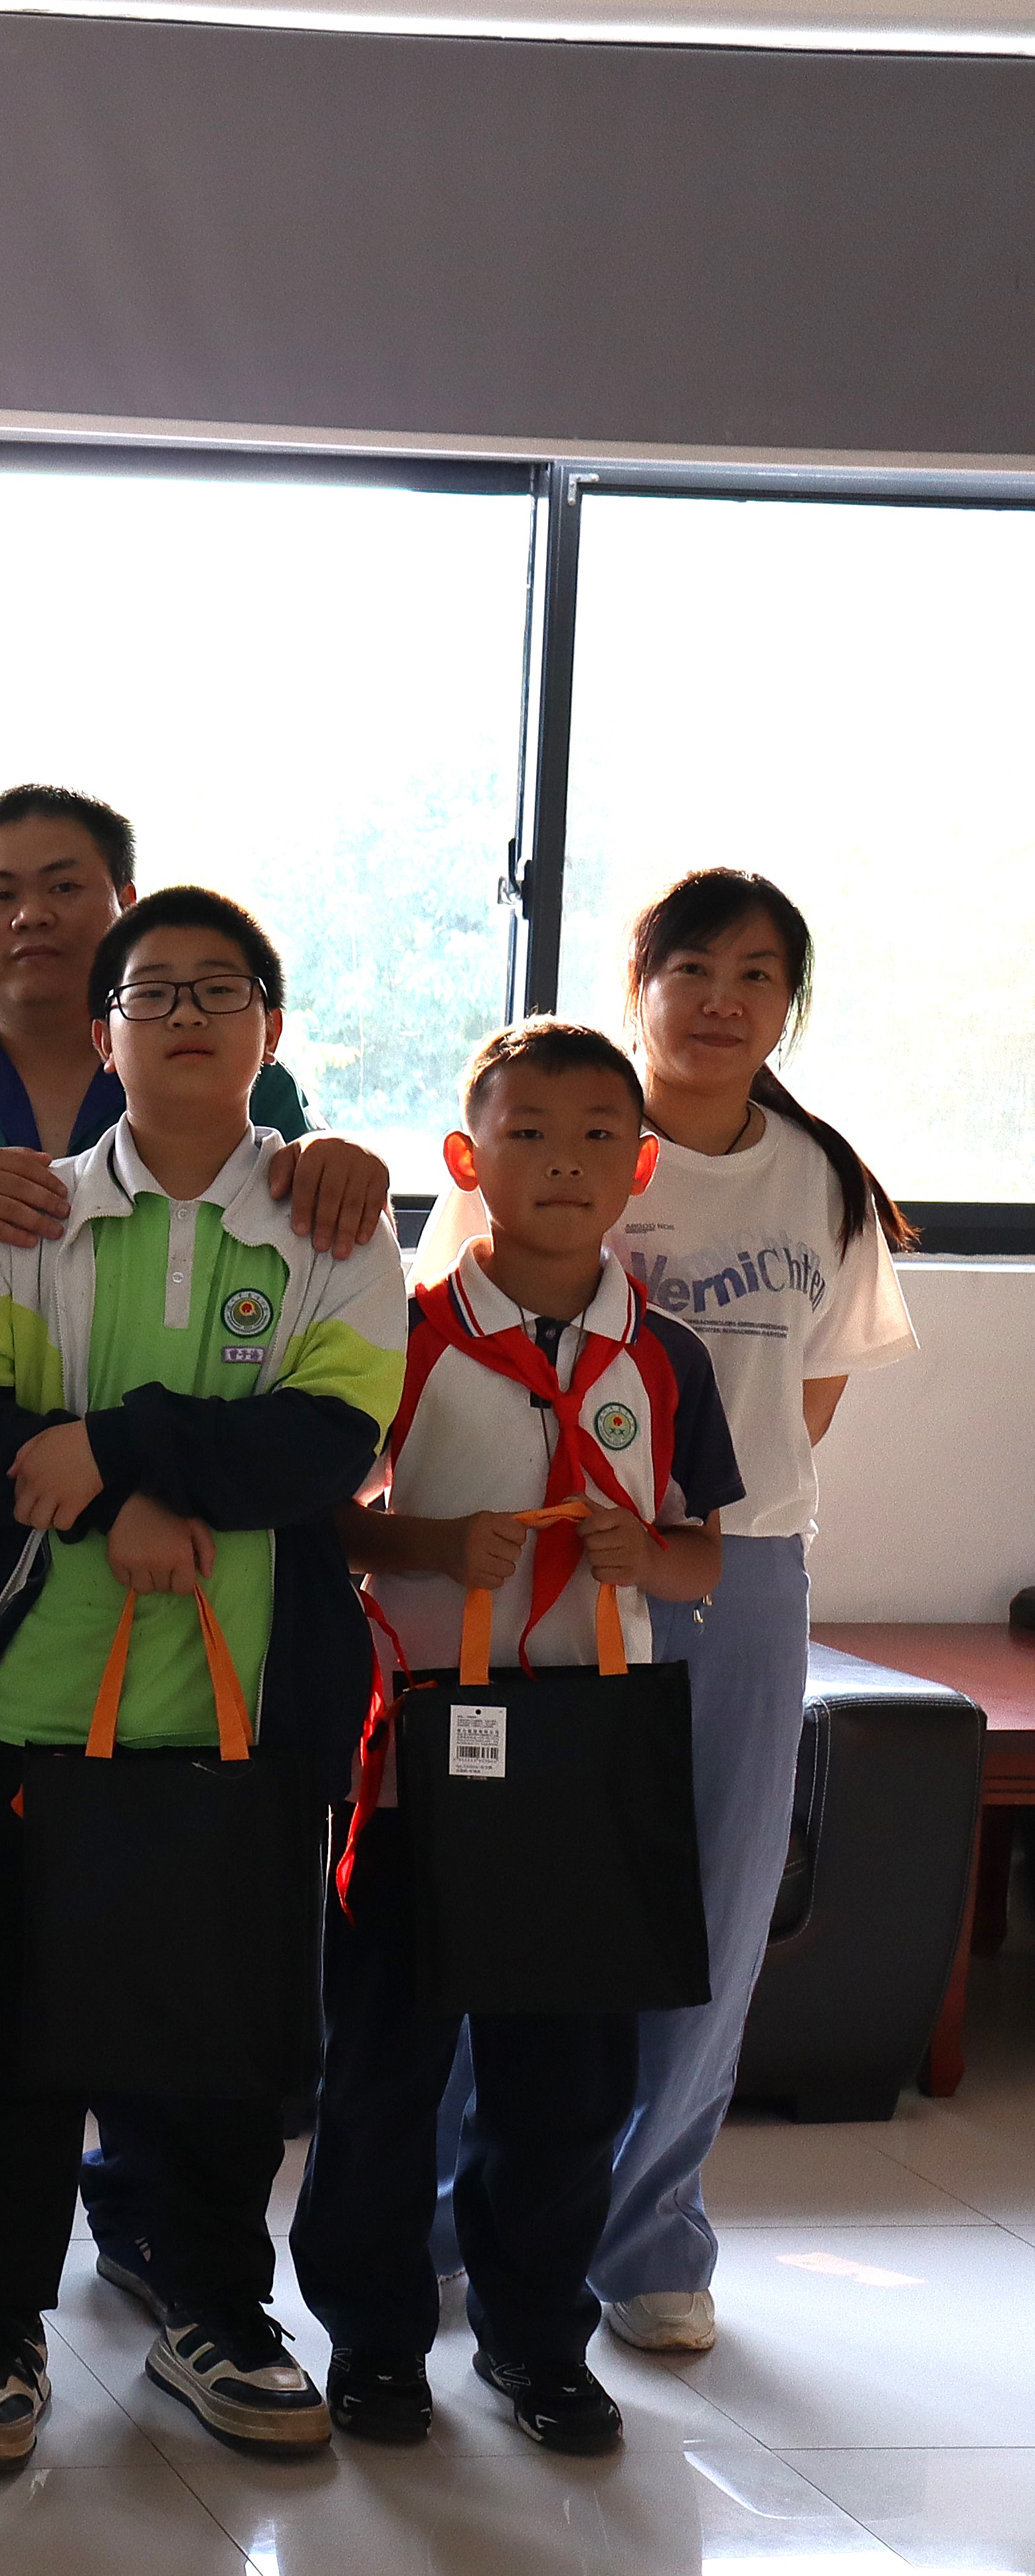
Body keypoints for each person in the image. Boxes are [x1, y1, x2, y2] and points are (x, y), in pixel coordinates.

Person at [0, 784, 391, 2321]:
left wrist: (120, 1455)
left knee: (181, 1916)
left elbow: (320, 1361)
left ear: (121, 908)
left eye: (66, 885)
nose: (32, 914)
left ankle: (148, 2215)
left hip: (216, 1596)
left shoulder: (249, 1082)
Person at [0, 888, 405, 2470]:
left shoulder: (332, 1223)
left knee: (229, 2032)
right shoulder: (36, 1212)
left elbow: (328, 1443)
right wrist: (116, 1507)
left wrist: (113, 1446)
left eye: (219, 988)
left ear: (271, 1025)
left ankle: (216, 2307)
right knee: (13, 2025)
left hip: (255, 1698)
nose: (185, 1013)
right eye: (151, 991)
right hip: (36, 1696)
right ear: (104, 1032)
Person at [416, 868, 915, 2355]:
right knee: (499, 1890)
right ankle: (449, 2220)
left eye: (758, 975)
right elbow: (447, 1340)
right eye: (691, 966)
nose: (721, 999)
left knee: (712, 1905)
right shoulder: (555, 1132)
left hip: (729, 1567)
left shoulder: (821, 1178)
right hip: (536, 1565)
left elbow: (802, 1407)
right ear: (639, 984)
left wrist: (694, 1524)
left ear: (789, 1006)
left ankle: (649, 2240)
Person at [302, 1020, 739, 2455]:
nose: (565, 1161)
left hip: (585, 1766)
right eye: (529, 1133)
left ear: (641, 1165)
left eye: (599, 1135)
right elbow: (331, 1526)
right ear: (464, 1158)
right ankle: (374, 2336)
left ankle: (538, 2337)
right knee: (386, 2067)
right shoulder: (405, 1334)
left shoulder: (664, 1355)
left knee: (568, 2084)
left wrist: (642, 1552)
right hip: (422, 1764)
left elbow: (704, 1556)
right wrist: (433, 1541)